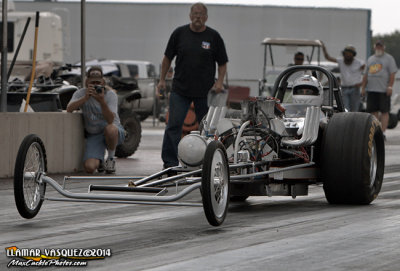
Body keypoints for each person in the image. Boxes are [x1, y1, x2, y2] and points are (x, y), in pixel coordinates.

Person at [157, 2, 228, 169]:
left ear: (206, 17)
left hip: (205, 92)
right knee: (173, 126)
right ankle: (170, 164)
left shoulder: (213, 36)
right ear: (190, 16)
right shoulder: (179, 34)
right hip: (180, 90)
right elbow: (167, 58)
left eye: (201, 14)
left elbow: (223, 63)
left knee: (208, 129)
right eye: (195, 14)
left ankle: (207, 163)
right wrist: (161, 80)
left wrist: (219, 82)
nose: (198, 17)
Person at [66, 66, 125, 174]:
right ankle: (100, 161)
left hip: (113, 131)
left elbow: (110, 120)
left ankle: (110, 159)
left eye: (98, 82)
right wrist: (85, 98)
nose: (95, 85)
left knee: (110, 129)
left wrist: (102, 101)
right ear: (87, 81)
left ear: (103, 82)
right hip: (95, 134)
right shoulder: (81, 93)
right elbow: (69, 109)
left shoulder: (110, 95)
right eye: (92, 82)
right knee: (89, 167)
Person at [361, 40, 397, 134]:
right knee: (373, 111)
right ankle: (376, 131)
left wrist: (390, 87)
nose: (379, 48)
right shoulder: (370, 59)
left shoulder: (389, 58)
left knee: (384, 111)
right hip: (372, 89)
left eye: (380, 46)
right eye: (377, 46)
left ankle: (383, 132)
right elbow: (365, 75)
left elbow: (392, 74)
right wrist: (363, 88)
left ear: (384, 47)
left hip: (383, 90)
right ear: (374, 47)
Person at [322, 42, 365, 112]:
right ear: (344, 54)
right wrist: (324, 49)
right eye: (346, 53)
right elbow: (328, 58)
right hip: (344, 89)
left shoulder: (360, 63)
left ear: (353, 55)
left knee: (354, 110)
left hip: (355, 89)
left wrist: (361, 84)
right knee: (346, 109)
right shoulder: (341, 61)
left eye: (349, 53)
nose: (347, 55)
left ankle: (353, 122)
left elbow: (367, 74)